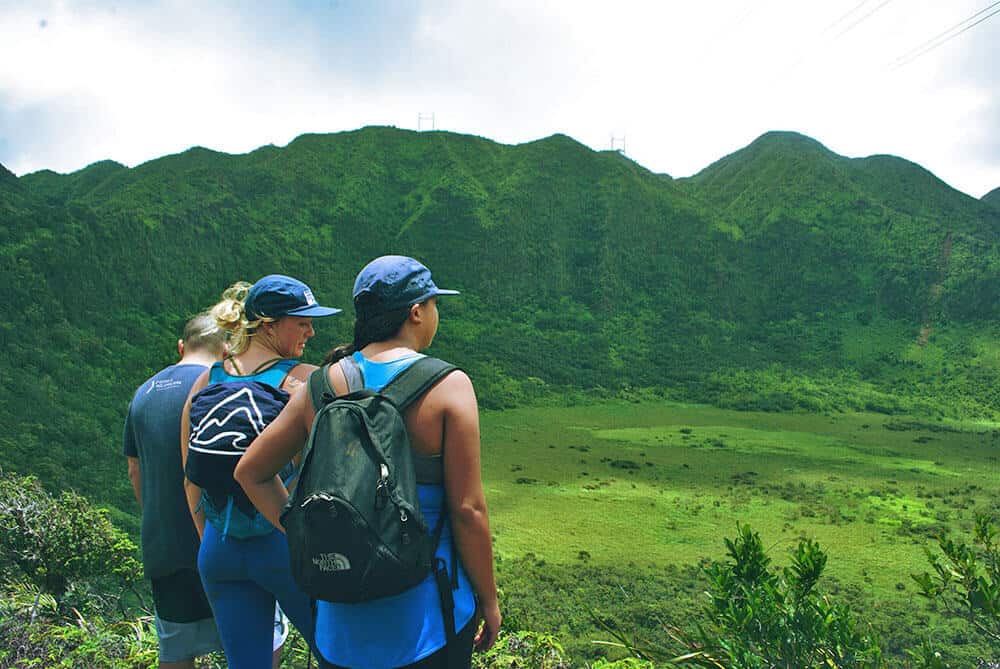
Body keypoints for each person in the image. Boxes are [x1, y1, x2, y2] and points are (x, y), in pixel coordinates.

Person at [235, 255, 501, 669]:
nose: (435, 314)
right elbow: (468, 510)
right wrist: (489, 599)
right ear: (416, 312)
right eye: (433, 305)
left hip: (340, 621)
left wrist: (303, 532)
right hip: (430, 617)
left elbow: (250, 472)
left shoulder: (321, 383)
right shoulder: (450, 386)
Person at [180, 275, 340, 669]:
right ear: (268, 325)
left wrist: (214, 541)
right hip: (284, 544)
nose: (311, 330)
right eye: (301, 321)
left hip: (218, 550)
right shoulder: (303, 379)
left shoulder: (207, 379)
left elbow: (190, 476)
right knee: (339, 656)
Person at [124, 312, 226, 669]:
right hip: (219, 542)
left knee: (176, 653)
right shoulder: (222, 386)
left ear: (181, 347)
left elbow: (135, 469)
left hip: (163, 547)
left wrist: (156, 517)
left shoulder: (143, 393)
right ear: (226, 350)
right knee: (252, 646)